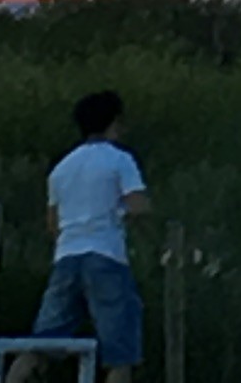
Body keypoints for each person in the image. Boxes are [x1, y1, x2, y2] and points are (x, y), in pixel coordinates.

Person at [37, 89, 152, 383]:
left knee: (42, 343)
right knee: (120, 352)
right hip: (106, 254)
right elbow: (138, 206)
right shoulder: (120, 159)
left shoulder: (62, 168)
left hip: (66, 257)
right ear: (115, 121)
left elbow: (53, 224)